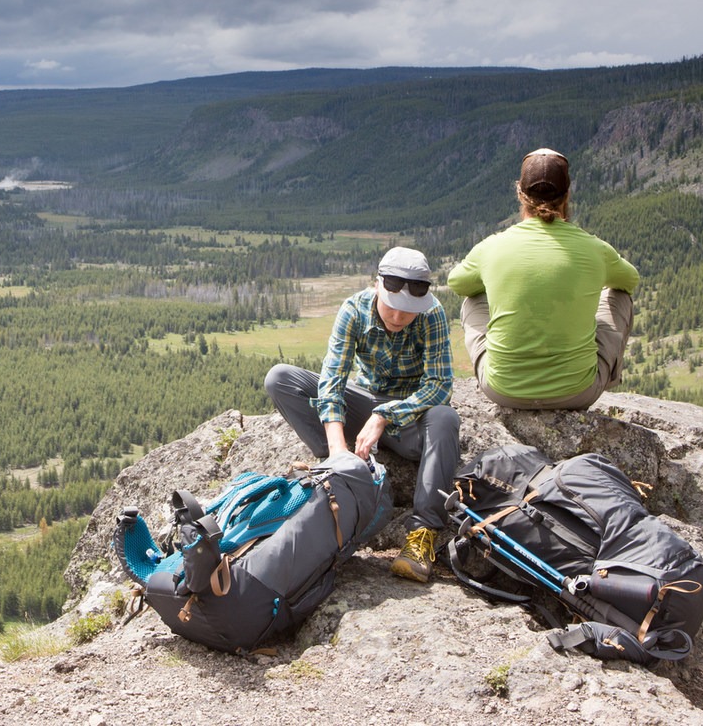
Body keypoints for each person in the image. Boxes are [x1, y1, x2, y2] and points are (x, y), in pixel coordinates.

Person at [264, 246, 459, 582]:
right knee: (281, 378)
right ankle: (342, 472)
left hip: (411, 417)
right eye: (392, 306)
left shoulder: (432, 314)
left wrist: (384, 415)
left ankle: (422, 535)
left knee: (445, 418)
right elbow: (333, 380)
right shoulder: (354, 309)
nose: (398, 317)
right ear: (377, 286)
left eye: (408, 311)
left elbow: (439, 385)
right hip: (363, 402)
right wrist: (339, 449)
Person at [447, 147, 639, 411]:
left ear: (519, 193)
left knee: (473, 299)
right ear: (567, 195)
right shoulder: (595, 248)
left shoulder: (492, 247)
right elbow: (629, 281)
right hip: (578, 393)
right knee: (619, 297)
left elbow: (458, 283)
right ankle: (603, 377)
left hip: (502, 391)